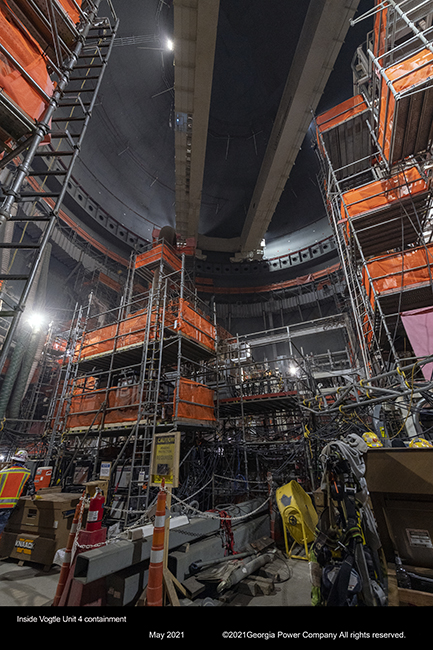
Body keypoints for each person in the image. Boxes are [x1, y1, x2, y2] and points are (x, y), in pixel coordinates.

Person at [0, 449, 35, 536]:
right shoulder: (26, 473)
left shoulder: (2, 472)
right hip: (9, 506)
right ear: (24, 463)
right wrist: (33, 496)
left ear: (12, 461)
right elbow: (31, 489)